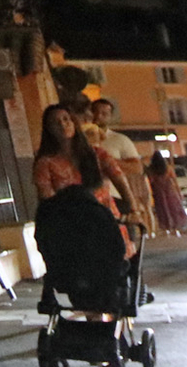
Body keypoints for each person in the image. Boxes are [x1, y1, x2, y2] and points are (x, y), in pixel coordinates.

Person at [34, 104, 136, 261]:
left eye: (66, 119)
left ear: (74, 122)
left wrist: (133, 211)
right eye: (55, 122)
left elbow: (120, 181)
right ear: (48, 130)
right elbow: (48, 199)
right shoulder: (45, 163)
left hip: (107, 221)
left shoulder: (97, 155)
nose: (62, 124)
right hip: (73, 227)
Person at [86, 97, 146, 222]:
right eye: (95, 111)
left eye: (104, 113)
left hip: (114, 197)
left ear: (110, 117)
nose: (98, 116)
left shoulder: (120, 140)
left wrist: (107, 161)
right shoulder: (78, 140)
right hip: (88, 198)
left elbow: (137, 168)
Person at [144, 150, 187, 234]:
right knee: (173, 209)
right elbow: (174, 181)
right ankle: (175, 228)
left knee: (162, 211)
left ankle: (167, 228)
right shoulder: (168, 168)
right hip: (170, 192)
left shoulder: (152, 170)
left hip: (158, 193)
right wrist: (179, 193)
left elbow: (150, 181)